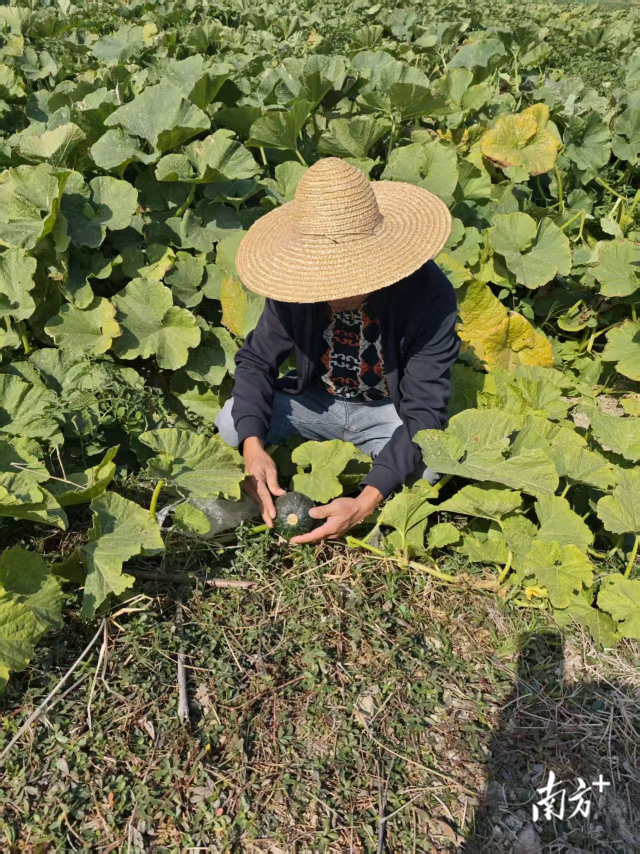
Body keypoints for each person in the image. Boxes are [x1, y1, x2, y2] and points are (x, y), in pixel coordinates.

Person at [215, 157, 460, 545]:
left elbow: (424, 411)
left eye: (342, 276)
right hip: (318, 402)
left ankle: (375, 500)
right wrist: (253, 449)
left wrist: (365, 501)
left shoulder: (430, 295)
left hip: (388, 411)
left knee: (429, 466)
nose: (329, 289)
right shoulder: (295, 281)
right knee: (233, 423)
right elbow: (256, 361)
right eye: (323, 274)